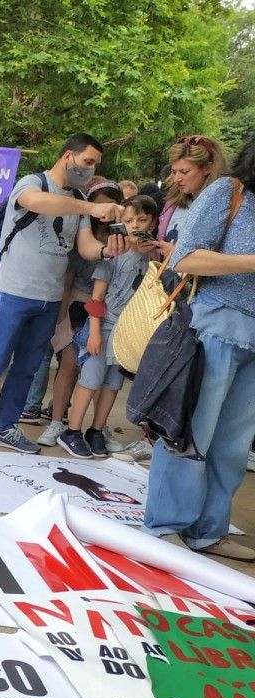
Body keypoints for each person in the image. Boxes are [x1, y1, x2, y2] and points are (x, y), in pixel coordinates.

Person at [0, 133, 126, 454]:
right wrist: (91, 207)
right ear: (68, 156)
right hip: (12, 290)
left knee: (28, 366)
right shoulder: (34, 183)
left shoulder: (78, 203)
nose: (91, 169)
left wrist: (109, 250)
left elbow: (85, 248)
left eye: (95, 164)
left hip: (50, 297)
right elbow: (37, 204)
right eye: (88, 162)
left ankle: (6, 427)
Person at [142, 135, 255, 562]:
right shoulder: (229, 191)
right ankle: (166, 524)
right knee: (190, 432)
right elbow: (186, 258)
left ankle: (209, 529)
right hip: (217, 327)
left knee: (232, 445)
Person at [58, 195, 160, 458]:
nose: (135, 225)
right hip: (103, 329)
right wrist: (93, 331)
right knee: (91, 379)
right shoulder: (112, 254)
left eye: (142, 219)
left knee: (113, 383)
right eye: (128, 220)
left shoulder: (156, 257)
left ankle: (96, 429)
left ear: (154, 221)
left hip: (128, 334)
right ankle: (72, 431)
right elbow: (96, 298)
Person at [27, 180, 125, 447]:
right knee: (69, 364)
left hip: (112, 308)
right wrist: (61, 312)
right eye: (99, 206)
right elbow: (69, 272)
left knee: (102, 371)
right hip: (77, 305)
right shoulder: (80, 232)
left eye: (110, 206)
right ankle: (57, 421)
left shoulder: (124, 236)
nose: (104, 212)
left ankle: (97, 427)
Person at [157, 135, 227, 254]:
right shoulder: (171, 203)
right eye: (174, 172)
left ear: (208, 168)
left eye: (184, 172)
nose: (176, 179)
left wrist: (177, 255)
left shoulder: (224, 206)